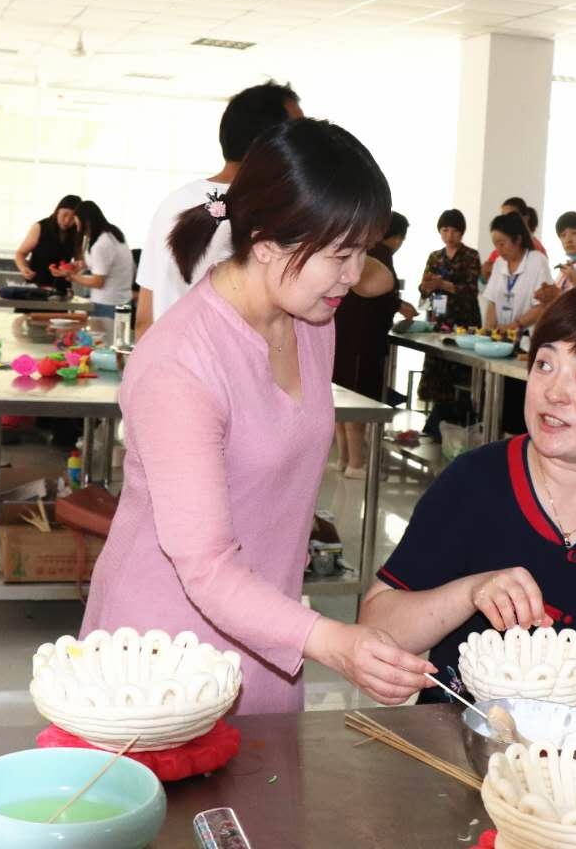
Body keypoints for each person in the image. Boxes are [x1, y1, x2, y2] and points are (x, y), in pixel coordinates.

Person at [82, 119, 434, 714]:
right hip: (162, 662)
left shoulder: (309, 316)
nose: (353, 274)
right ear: (266, 242)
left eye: (363, 251)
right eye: (340, 255)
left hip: (269, 637)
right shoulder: (180, 362)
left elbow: (368, 280)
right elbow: (206, 566)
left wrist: (352, 252)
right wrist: (335, 641)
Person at [361, 282, 576, 701]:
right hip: (456, 735)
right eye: (545, 364)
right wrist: (470, 592)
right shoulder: (476, 482)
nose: (553, 392)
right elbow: (375, 630)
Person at [133, 82, 302, 338]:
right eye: (300, 134)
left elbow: (145, 320)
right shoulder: (274, 214)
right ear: (272, 145)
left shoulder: (173, 204)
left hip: (168, 358)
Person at [332, 211, 415, 478]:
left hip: (343, 333)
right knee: (359, 398)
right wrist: (399, 305)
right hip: (364, 338)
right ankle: (357, 464)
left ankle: (344, 458)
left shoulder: (356, 248)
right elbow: (380, 293)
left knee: (342, 395)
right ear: (397, 237)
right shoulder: (380, 252)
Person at [417, 208, 483, 442]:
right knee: (437, 369)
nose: (449, 235)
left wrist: (444, 284)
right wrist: (427, 286)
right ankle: (438, 424)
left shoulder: (471, 256)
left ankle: (457, 423)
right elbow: (423, 286)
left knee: (460, 372)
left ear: (462, 232)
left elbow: (471, 290)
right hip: (439, 320)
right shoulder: (435, 257)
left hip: (464, 320)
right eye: (445, 230)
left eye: (454, 231)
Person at [64, 200, 135, 320]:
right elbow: (106, 262)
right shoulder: (113, 234)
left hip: (107, 303)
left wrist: (72, 277)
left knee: (104, 333)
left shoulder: (101, 244)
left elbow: (98, 282)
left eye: (78, 224)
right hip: (122, 299)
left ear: (86, 222)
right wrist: (81, 265)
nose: (78, 229)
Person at [483, 212, 554, 332]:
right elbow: (492, 301)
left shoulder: (537, 261)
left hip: (527, 336)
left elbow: (542, 305)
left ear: (518, 240)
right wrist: (488, 331)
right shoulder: (499, 263)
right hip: (500, 336)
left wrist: (513, 326)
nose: (498, 250)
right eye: (495, 245)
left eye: (502, 244)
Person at [14, 195, 81, 292]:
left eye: (72, 218)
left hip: (62, 288)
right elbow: (20, 253)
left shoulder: (77, 232)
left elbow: (79, 262)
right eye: (64, 215)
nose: (67, 221)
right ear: (57, 211)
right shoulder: (40, 227)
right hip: (36, 286)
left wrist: (72, 271)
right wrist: (23, 268)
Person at [481, 196, 547, 283]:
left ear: (525, 218)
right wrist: (484, 275)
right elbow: (487, 279)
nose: (505, 222)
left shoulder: (537, 251)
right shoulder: (499, 252)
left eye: (510, 217)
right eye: (503, 218)